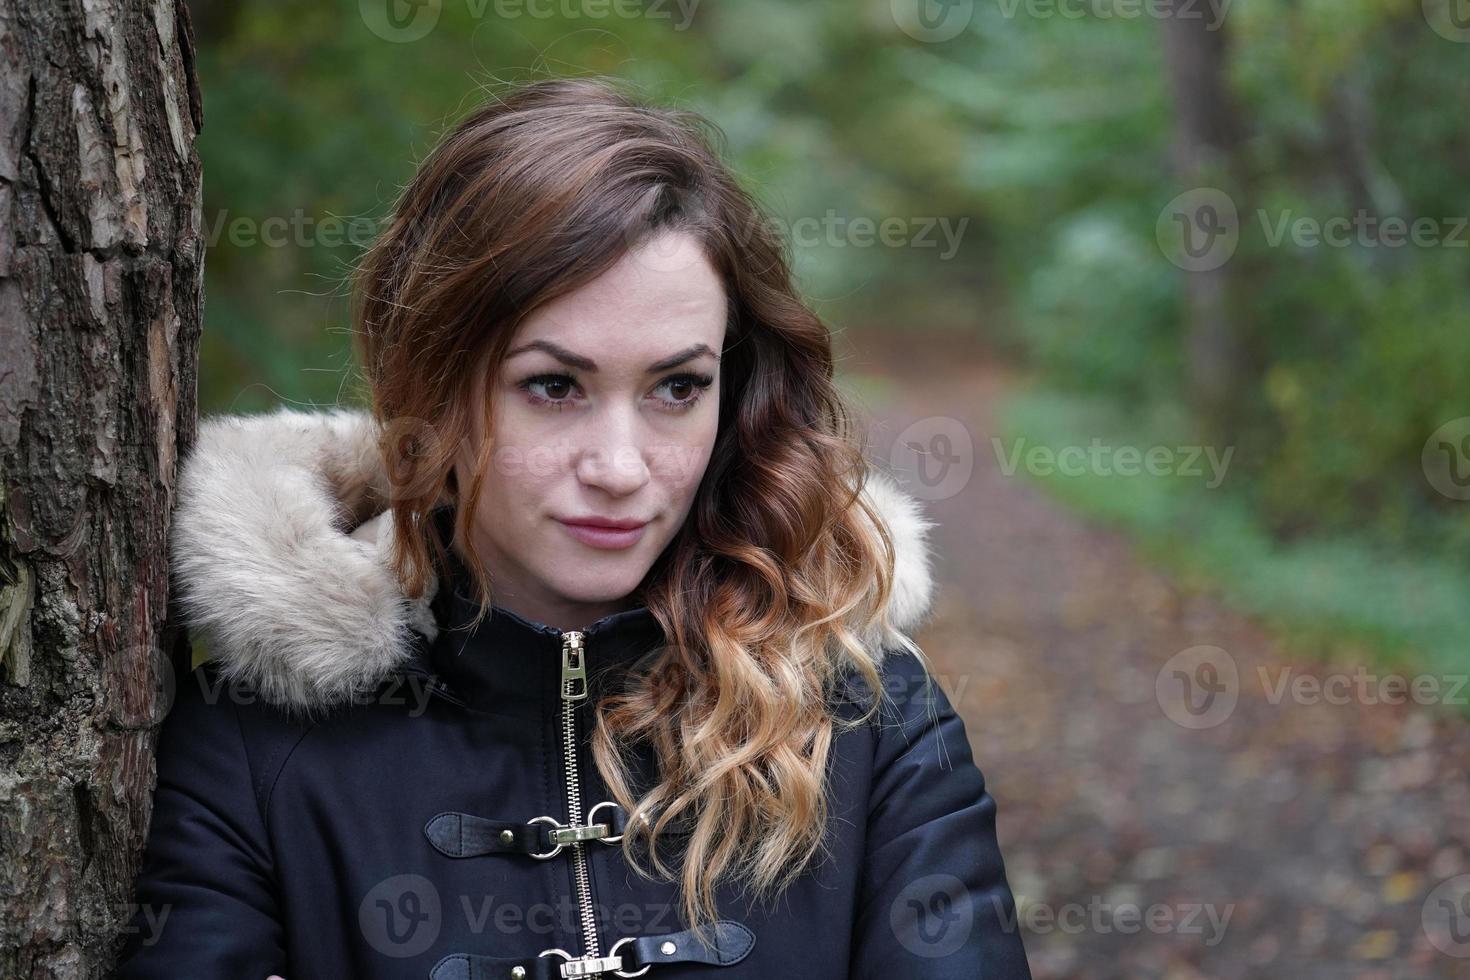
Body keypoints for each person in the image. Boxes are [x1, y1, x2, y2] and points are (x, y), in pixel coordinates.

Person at [115, 76, 1032, 979]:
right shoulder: (253, 738)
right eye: (553, 386)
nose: (623, 468)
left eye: (678, 388)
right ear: (432, 390)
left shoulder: (873, 716)